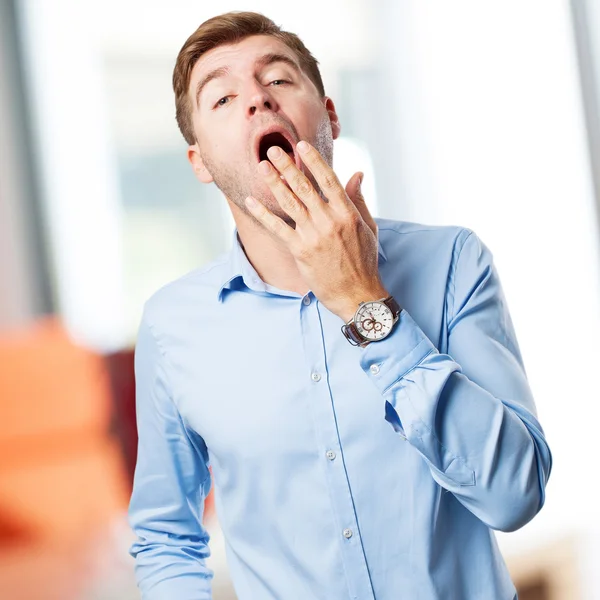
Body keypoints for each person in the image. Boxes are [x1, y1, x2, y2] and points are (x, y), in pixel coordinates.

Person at [128, 11, 552, 600]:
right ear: (199, 161)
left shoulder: (452, 261)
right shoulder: (171, 327)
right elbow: (165, 535)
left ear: (328, 115)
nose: (256, 100)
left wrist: (362, 301)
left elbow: (515, 494)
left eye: (277, 79)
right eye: (223, 97)